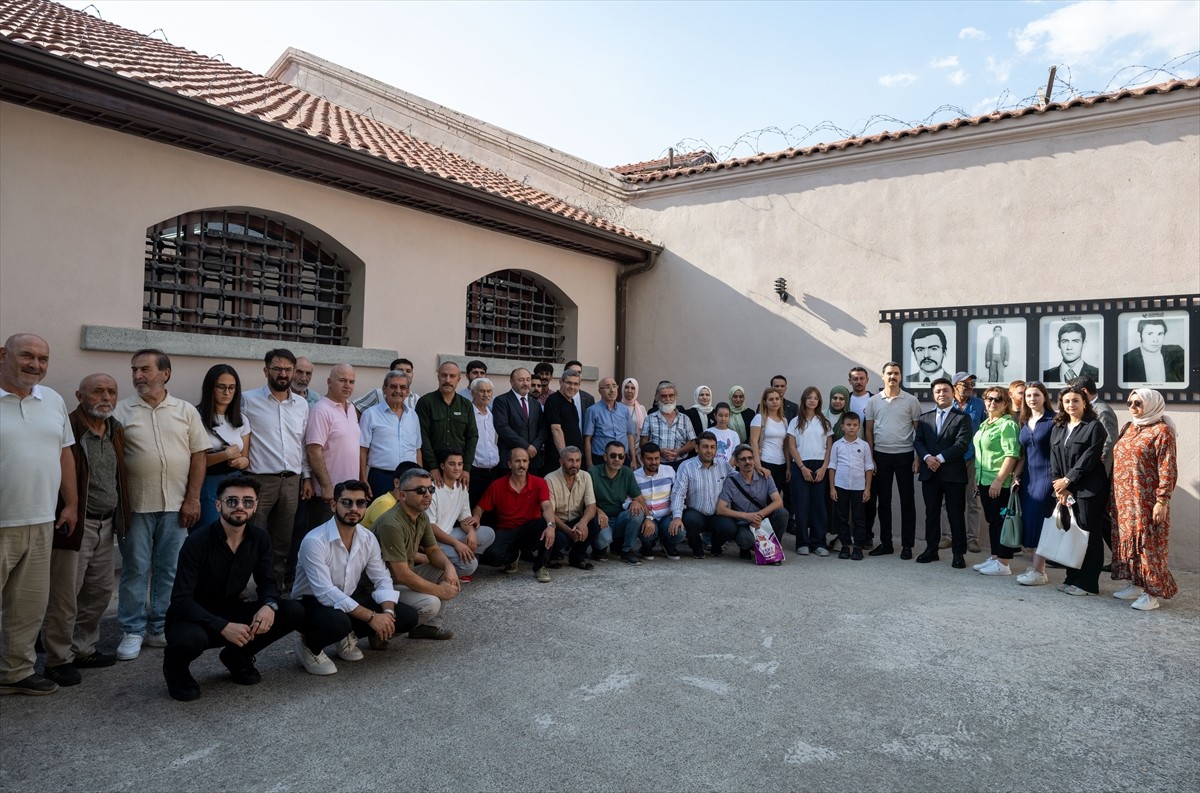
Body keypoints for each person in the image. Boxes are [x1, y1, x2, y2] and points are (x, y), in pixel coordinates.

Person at [162, 474, 304, 701]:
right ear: (218, 505)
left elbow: (267, 582)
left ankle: (237, 656)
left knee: (291, 611)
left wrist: (269, 605)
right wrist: (223, 626)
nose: (240, 506)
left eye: (247, 501)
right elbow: (180, 601)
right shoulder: (197, 542)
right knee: (190, 640)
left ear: (255, 506)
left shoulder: (260, 538)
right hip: (192, 618)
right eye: (232, 501)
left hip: (230, 610)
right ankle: (175, 669)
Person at [112, 349, 207, 662]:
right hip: (137, 507)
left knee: (170, 569)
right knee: (135, 569)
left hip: (177, 506)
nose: (138, 376)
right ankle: (132, 630)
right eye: (134, 370)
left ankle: (161, 626)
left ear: (165, 373)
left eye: (145, 369)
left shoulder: (185, 411)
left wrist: (193, 499)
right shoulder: (121, 411)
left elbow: (198, 455)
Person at [40, 374, 129, 688]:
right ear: (79, 395)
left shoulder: (115, 429)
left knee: (100, 590)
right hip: (76, 524)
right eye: (98, 391)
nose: (106, 396)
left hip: (107, 524)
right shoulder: (69, 428)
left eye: (112, 391)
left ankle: (83, 649)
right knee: (65, 595)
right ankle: (57, 659)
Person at [0, 333, 77, 696]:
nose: (35, 365)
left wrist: (72, 504)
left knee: (28, 605)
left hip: (42, 519)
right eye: (27, 356)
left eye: (43, 359)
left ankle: (15, 672)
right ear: (3, 356)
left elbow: (65, 454)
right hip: (2, 521)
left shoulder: (54, 400)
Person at [291, 480, 417, 675]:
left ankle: (347, 633)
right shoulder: (314, 541)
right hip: (311, 602)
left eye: (360, 503)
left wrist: (388, 615)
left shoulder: (367, 537)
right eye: (347, 503)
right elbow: (325, 592)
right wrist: (372, 617)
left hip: (348, 595)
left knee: (407, 617)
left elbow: (382, 578)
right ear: (334, 505)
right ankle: (310, 646)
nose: (354, 509)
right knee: (338, 623)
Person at [241, 349, 312, 588]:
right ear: (266, 371)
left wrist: (307, 477)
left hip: (291, 482)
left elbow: (302, 445)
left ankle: (275, 588)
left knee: (283, 539)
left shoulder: (301, 404)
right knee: (254, 536)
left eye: (287, 369)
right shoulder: (248, 400)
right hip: (260, 481)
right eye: (277, 369)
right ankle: (250, 588)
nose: (283, 374)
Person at [370, 468, 460, 641]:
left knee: (444, 570)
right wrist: (440, 591)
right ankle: (380, 632)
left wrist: (449, 567)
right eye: (420, 490)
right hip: (382, 586)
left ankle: (428, 627)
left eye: (430, 489)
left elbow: (433, 550)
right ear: (402, 495)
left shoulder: (421, 516)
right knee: (431, 603)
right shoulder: (391, 524)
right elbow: (401, 574)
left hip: (400, 578)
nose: (427, 494)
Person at [1110, 389, 1178, 611]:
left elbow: (1167, 468)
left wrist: (1162, 500)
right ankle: (1136, 584)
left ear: (1151, 404)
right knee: (1130, 542)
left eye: (1138, 402)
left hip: (1146, 499)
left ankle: (1152, 593)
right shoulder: (1129, 427)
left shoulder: (1162, 431)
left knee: (1148, 544)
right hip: (1124, 498)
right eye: (1129, 401)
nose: (1132, 406)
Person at [1049, 386, 1109, 596]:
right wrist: (1059, 485)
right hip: (1065, 490)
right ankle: (1072, 578)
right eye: (1067, 401)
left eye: (1075, 400)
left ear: (1085, 402)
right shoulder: (1058, 427)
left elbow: (1090, 458)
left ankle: (1088, 584)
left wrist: (1068, 480)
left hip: (1088, 490)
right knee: (1071, 534)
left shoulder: (1094, 427)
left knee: (1088, 535)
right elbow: (1054, 458)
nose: (1071, 405)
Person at [864, 362, 922, 558]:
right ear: (882, 376)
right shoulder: (873, 401)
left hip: (905, 455)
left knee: (908, 502)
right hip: (881, 456)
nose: (892, 377)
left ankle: (907, 546)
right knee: (884, 502)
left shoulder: (911, 400)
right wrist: (871, 458)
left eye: (896, 373)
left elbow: (918, 431)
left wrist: (917, 457)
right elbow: (869, 431)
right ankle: (886, 543)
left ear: (901, 376)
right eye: (889, 373)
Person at [913, 378, 973, 569]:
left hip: (952, 473)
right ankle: (931, 550)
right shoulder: (924, 418)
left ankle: (958, 553)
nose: (942, 394)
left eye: (945, 390)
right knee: (931, 513)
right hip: (929, 473)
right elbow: (918, 442)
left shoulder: (962, 417)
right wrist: (926, 458)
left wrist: (938, 458)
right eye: (938, 391)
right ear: (933, 394)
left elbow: (962, 444)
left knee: (956, 514)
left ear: (953, 393)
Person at [473, 448, 557, 583]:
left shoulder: (539, 483)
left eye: (525, 461)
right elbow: (479, 508)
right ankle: (513, 557)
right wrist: (476, 517)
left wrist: (551, 525)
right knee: (492, 558)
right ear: (509, 464)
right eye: (517, 461)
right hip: (507, 530)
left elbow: (546, 505)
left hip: (530, 528)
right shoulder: (497, 485)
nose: (521, 465)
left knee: (545, 525)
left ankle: (540, 567)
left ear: (529, 463)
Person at [424, 449, 496, 581]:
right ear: (442, 466)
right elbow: (430, 527)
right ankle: (440, 572)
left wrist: (471, 533)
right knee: (471, 565)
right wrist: (457, 544)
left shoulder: (461, 488)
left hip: (450, 534)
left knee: (489, 534)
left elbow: (464, 519)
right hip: (432, 540)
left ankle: (458, 558)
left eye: (460, 464)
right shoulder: (433, 490)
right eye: (452, 464)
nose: (457, 468)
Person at [195, 364, 252, 529]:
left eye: (231, 388)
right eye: (221, 387)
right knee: (211, 532)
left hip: (235, 482)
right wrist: (225, 455)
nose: (227, 392)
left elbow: (245, 457)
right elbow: (193, 461)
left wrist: (243, 462)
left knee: (234, 532)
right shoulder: (195, 416)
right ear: (210, 388)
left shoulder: (242, 419)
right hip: (207, 483)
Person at [972, 386, 1021, 576]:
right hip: (984, 480)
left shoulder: (1007, 425)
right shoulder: (985, 424)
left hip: (998, 483)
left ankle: (1003, 563)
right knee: (992, 520)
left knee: (1002, 521)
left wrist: (999, 481)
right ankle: (995, 557)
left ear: (1005, 404)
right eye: (989, 398)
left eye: (997, 399)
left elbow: (1012, 454)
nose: (992, 402)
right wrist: (978, 478)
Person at [304, 363, 360, 531]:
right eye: (342, 380)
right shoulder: (321, 410)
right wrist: (327, 487)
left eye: (351, 381)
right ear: (329, 382)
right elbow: (313, 450)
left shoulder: (351, 408)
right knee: (325, 541)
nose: (347, 385)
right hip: (329, 496)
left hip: (349, 493)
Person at [1012, 381, 1056, 586]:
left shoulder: (1054, 420)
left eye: (1036, 395)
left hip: (1047, 477)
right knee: (1029, 520)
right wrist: (1016, 476)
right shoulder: (1024, 420)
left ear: (1044, 397)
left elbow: (1058, 452)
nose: (1032, 399)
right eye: (1028, 395)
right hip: (1028, 478)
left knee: (1039, 521)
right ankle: (1036, 567)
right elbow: (1023, 454)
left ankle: (1040, 571)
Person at [717, 444, 789, 561]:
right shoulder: (731, 481)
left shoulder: (765, 476)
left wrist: (759, 515)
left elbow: (778, 502)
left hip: (763, 520)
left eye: (750, 458)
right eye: (743, 459)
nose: (748, 462)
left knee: (782, 513)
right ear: (736, 462)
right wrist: (747, 516)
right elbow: (720, 509)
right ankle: (746, 548)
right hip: (744, 523)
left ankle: (774, 546)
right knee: (745, 540)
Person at [358, 369, 421, 501]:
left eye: (403, 387)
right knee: (381, 518)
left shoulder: (413, 415)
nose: (398, 391)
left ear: (408, 391)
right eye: (393, 386)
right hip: (381, 478)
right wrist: (363, 479)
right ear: (384, 389)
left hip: (409, 478)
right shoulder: (370, 414)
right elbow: (362, 450)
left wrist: (420, 477)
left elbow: (417, 449)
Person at [669, 432, 733, 559]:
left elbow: (739, 479)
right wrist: (676, 516)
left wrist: (757, 470)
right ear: (697, 448)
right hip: (696, 513)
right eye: (705, 446)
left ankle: (716, 546)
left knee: (730, 528)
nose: (709, 450)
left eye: (712, 447)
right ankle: (696, 546)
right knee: (691, 520)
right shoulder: (686, 466)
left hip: (717, 514)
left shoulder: (723, 465)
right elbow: (678, 493)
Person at [942, 373, 986, 553]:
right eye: (964, 383)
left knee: (974, 501)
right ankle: (947, 536)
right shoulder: (947, 404)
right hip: (952, 459)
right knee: (948, 500)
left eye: (971, 383)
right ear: (954, 386)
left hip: (973, 459)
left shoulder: (980, 405)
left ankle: (973, 539)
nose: (969, 386)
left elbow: (985, 428)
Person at [786, 387, 832, 556]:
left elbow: (829, 447)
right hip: (801, 466)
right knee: (801, 506)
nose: (812, 400)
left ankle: (819, 542)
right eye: (809, 397)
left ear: (819, 401)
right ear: (804, 399)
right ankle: (802, 542)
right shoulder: (795, 422)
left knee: (819, 506)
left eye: (816, 398)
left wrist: (824, 468)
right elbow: (791, 446)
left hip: (820, 466)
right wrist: (802, 467)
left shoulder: (824, 422)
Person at [417, 361, 478, 486]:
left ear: (459, 379)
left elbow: (472, 436)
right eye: (444, 375)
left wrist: (466, 468)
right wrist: (433, 467)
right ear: (438, 377)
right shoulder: (425, 402)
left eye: (452, 376)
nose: (448, 380)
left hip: (458, 472)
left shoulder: (466, 405)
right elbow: (422, 436)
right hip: (432, 470)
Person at [589, 441, 650, 566]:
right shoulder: (592, 473)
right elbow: (584, 501)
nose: (617, 459)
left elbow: (639, 498)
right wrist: (598, 512)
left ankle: (627, 550)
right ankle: (599, 549)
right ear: (605, 457)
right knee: (604, 540)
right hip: (600, 519)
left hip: (619, 518)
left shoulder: (627, 472)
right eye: (613, 456)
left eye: (621, 456)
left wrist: (648, 517)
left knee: (638, 512)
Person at [827, 412, 874, 560]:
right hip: (841, 486)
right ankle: (845, 545)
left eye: (854, 425)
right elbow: (832, 466)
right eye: (848, 425)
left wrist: (867, 488)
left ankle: (858, 547)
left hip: (859, 487)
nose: (851, 428)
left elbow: (869, 467)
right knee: (842, 517)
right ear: (843, 426)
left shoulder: (864, 445)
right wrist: (832, 487)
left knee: (859, 518)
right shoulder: (837, 445)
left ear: (859, 427)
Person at [544, 446, 600, 569]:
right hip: (557, 523)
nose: (574, 464)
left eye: (578, 460)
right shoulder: (550, 479)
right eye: (570, 460)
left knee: (595, 523)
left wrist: (583, 523)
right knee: (560, 538)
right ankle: (553, 556)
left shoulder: (586, 476)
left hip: (576, 521)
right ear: (561, 461)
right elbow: (550, 513)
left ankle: (577, 558)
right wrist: (570, 533)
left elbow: (591, 506)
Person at [493, 367, 547, 476]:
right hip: (511, 461)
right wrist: (526, 447)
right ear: (512, 382)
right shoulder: (502, 401)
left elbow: (543, 429)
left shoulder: (536, 404)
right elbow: (502, 428)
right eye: (521, 380)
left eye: (528, 379)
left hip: (533, 460)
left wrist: (534, 447)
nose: (526, 383)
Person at [632, 443, 678, 559]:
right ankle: (646, 547)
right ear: (642, 459)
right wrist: (633, 503)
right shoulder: (634, 476)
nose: (654, 462)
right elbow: (626, 499)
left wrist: (676, 514)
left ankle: (668, 544)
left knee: (680, 531)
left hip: (666, 516)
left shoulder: (669, 471)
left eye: (657, 458)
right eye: (649, 459)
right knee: (647, 534)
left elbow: (678, 493)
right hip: (647, 517)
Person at [749, 388, 790, 519]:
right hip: (765, 463)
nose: (774, 402)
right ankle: (761, 535)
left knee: (775, 501)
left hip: (781, 464)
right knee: (763, 501)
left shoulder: (784, 421)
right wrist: (758, 465)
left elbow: (786, 446)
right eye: (771, 399)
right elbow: (753, 442)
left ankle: (773, 534)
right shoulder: (759, 418)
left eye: (777, 399)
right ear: (765, 402)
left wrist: (788, 467)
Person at [639, 381, 696, 468]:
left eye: (671, 395)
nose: (668, 399)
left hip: (681, 465)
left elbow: (692, 442)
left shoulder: (685, 419)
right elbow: (643, 443)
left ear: (675, 397)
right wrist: (659, 451)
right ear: (657, 398)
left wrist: (678, 452)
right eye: (664, 396)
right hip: (657, 465)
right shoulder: (649, 419)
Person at [583, 377, 637, 468]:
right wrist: (589, 463)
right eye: (607, 387)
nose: (612, 390)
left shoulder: (624, 410)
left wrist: (633, 460)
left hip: (622, 458)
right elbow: (587, 438)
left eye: (614, 386)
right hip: (601, 459)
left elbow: (629, 435)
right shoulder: (592, 410)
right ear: (600, 391)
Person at [544, 368, 588, 470]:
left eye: (576, 384)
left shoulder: (571, 402)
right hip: (560, 460)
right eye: (569, 383)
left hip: (573, 460)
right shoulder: (554, 400)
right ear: (561, 382)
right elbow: (556, 429)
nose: (572, 387)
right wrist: (564, 457)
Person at [467, 377, 500, 506]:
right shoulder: (468, 414)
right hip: (475, 471)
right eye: (482, 391)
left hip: (492, 472)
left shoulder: (491, 414)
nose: (486, 395)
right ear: (473, 393)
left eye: (489, 391)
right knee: (474, 505)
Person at [708, 403, 741, 469]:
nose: (723, 419)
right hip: (711, 470)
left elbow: (735, 454)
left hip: (729, 471)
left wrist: (727, 469)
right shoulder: (708, 432)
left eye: (726, 416)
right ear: (715, 416)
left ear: (729, 416)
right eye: (720, 415)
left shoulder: (734, 434)